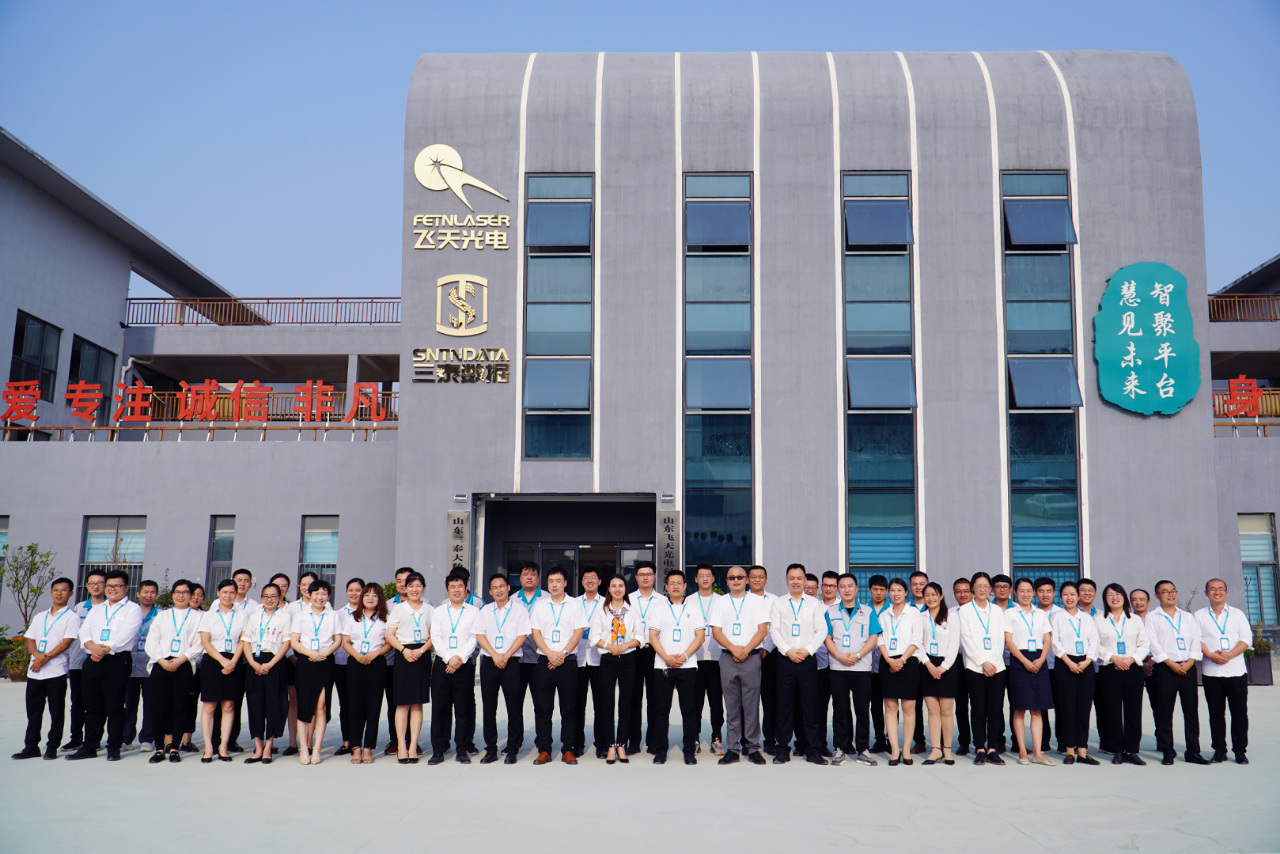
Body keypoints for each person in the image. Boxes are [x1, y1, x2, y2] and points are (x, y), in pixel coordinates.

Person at [67, 569, 143, 762]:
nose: (112, 589)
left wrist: (105, 649)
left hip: (117, 659)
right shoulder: (97, 609)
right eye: (109, 586)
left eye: (117, 586)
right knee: (91, 706)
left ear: (126, 587)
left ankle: (114, 747)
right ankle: (90, 746)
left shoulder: (132, 609)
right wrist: (92, 647)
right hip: (92, 659)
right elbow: (84, 630)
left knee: (114, 706)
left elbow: (127, 633)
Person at [13, 576, 79, 760]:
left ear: (70, 593)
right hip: (35, 672)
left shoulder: (72, 617)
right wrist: (37, 656)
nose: (59, 593)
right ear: (51, 593)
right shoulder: (40, 616)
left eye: (64, 590)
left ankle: (52, 747)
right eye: (56, 590)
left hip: (56, 671)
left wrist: (43, 659)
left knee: (56, 712)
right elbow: (30, 639)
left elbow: (66, 643)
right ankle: (31, 746)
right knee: (33, 712)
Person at [768, 564, 828, 765]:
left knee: (810, 706)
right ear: (786, 580)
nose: (796, 581)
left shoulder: (814, 604)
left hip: (807, 660)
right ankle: (782, 749)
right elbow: (774, 630)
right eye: (792, 578)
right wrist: (788, 650)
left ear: (804, 580)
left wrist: (808, 650)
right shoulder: (778, 603)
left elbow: (821, 630)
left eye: (799, 578)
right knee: (784, 706)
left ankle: (813, 749)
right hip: (785, 660)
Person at [709, 565, 769, 766]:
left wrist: (745, 650)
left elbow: (762, 630)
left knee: (751, 705)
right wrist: (734, 649)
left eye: (740, 577)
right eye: (732, 577)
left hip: (751, 658)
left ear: (747, 580)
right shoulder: (720, 602)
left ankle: (752, 747)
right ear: (727, 581)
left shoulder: (757, 601)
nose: (736, 580)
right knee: (731, 706)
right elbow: (716, 631)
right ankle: (733, 749)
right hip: (728, 658)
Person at [530, 566, 589, 764]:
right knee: (543, 709)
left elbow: (578, 632)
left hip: (567, 662)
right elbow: (536, 633)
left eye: (558, 581)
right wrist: (549, 654)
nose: (554, 585)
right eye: (551, 581)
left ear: (565, 583)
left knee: (569, 709)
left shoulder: (575, 605)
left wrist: (563, 654)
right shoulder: (540, 606)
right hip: (544, 661)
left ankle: (568, 749)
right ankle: (544, 750)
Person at [1145, 579, 1206, 765]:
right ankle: (1168, 752)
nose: (1170, 594)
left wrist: (1190, 662)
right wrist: (1170, 663)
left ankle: (1193, 751)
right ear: (1157, 596)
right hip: (1165, 668)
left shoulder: (1187, 617)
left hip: (1187, 667)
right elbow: (1153, 643)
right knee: (1165, 711)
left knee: (1191, 711)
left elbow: (1196, 640)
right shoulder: (1152, 617)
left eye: (1173, 591)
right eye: (1165, 592)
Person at [648, 569, 706, 765]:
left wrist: (684, 656)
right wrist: (666, 657)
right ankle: (661, 751)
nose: (675, 586)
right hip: (662, 666)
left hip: (687, 666)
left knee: (689, 711)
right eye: (671, 583)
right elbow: (653, 636)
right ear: (666, 586)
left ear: (684, 586)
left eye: (678, 583)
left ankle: (689, 751)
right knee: (661, 711)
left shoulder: (694, 608)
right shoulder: (659, 608)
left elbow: (700, 636)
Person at [143, 579, 203, 764]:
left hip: (183, 665)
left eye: (185, 592)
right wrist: (161, 660)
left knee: (180, 708)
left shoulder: (198, 617)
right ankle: (159, 749)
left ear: (190, 595)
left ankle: (175, 748)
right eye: (177, 592)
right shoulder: (162, 616)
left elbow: (200, 643)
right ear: (172, 595)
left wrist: (182, 659)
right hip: (161, 665)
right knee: (159, 709)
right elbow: (152, 641)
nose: (181, 596)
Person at [824, 573, 880, 767]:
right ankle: (840, 748)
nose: (846, 590)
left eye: (850, 586)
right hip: (838, 667)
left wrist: (857, 655)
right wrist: (839, 656)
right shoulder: (830, 612)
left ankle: (863, 749)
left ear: (857, 589)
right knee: (840, 710)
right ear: (838, 590)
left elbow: (873, 638)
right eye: (842, 586)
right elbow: (827, 638)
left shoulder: (868, 611)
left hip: (861, 668)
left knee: (862, 710)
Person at [1194, 577, 1252, 764]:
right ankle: (1219, 750)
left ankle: (1240, 750)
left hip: (1235, 671)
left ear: (1227, 592)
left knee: (1239, 713)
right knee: (1216, 714)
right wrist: (1210, 655)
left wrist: (1229, 654)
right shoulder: (1199, 615)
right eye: (1212, 589)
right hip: (1212, 672)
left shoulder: (1237, 614)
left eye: (1220, 589)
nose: (1216, 592)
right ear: (1206, 593)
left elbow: (1246, 638)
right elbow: (1197, 639)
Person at [474, 572, 530, 764]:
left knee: (514, 707)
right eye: (494, 588)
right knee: (489, 707)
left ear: (508, 588)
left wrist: (505, 656)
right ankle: (491, 748)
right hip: (489, 662)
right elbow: (480, 635)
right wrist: (495, 655)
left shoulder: (519, 610)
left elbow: (522, 636)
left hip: (511, 662)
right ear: (490, 592)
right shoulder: (485, 611)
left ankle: (513, 747)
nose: (498, 590)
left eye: (501, 586)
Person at [427, 570, 480, 765]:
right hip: (443, 664)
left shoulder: (474, 612)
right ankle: (438, 750)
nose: (456, 590)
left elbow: (475, 637)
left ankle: (462, 749)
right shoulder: (439, 611)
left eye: (460, 586)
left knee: (463, 709)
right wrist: (450, 658)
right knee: (439, 708)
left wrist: (460, 658)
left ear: (466, 589)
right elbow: (436, 637)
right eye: (452, 586)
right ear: (447, 590)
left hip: (464, 665)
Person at [1095, 582, 1150, 765]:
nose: (1114, 598)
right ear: (1105, 599)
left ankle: (1132, 750)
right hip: (1109, 668)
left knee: (1133, 710)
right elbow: (1095, 644)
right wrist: (1113, 658)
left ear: (1124, 598)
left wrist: (1131, 659)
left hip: (1132, 668)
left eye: (1118, 594)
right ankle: (1117, 749)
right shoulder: (1098, 620)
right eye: (1110, 595)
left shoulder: (1135, 620)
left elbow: (1144, 644)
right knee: (1112, 710)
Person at [289, 579, 342, 765]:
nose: (320, 597)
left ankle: (317, 748)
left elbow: (337, 639)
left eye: (324, 593)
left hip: (326, 661)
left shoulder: (333, 615)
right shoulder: (301, 616)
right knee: (304, 705)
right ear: (309, 595)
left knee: (321, 706)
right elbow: (294, 641)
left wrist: (326, 653)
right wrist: (310, 653)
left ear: (328, 596)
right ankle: (304, 748)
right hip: (306, 661)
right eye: (316, 593)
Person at [590, 574, 642, 764]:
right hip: (608, 661)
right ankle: (610, 745)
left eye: (621, 586)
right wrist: (610, 646)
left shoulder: (632, 611)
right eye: (614, 586)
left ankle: (621, 744)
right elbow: (594, 637)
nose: (617, 589)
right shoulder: (602, 612)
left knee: (625, 705)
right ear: (609, 589)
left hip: (628, 660)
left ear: (625, 589)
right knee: (607, 705)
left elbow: (640, 637)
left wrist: (625, 646)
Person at [958, 572, 1006, 766]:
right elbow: (966, 638)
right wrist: (982, 662)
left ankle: (992, 749)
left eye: (986, 586)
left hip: (997, 667)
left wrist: (992, 662)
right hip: (974, 667)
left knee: (994, 709)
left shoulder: (997, 611)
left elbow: (1000, 639)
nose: (982, 590)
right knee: (977, 709)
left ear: (990, 589)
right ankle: (979, 748)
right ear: (973, 588)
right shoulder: (965, 611)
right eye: (978, 586)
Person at [1005, 578, 1055, 766]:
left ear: (1033, 593)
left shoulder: (1040, 614)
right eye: (1021, 591)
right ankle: (1022, 751)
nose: (1025, 594)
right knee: (1019, 708)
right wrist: (1025, 661)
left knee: (1037, 709)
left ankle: (1037, 752)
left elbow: (1047, 640)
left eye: (1029, 591)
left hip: (1039, 659)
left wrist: (1041, 660)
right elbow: (1008, 641)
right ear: (1015, 593)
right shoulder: (1010, 613)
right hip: (1020, 660)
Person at [240, 582, 291, 765]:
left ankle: (269, 747)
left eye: (273, 596)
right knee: (255, 706)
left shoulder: (285, 617)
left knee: (274, 705)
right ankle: (258, 747)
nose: (269, 600)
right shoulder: (254, 616)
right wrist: (253, 663)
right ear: (261, 598)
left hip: (274, 663)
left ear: (279, 598)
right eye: (266, 596)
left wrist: (270, 663)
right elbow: (246, 641)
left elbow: (286, 643)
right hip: (254, 663)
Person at [197, 579, 247, 763]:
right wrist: (222, 660)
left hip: (234, 661)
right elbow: (205, 641)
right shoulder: (208, 615)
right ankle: (208, 747)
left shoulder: (242, 614)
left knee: (228, 706)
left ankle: (223, 747)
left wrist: (233, 661)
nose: (228, 595)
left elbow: (243, 640)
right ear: (218, 592)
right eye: (224, 592)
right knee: (209, 706)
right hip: (213, 661)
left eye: (232, 592)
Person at [1049, 582, 1100, 765]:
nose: (1069, 598)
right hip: (1065, 664)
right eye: (1065, 594)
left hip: (1085, 664)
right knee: (1067, 708)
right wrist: (1069, 662)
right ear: (1060, 597)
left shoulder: (1087, 618)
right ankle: (1069, 750)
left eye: (1072, 594)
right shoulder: (1056, 617)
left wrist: (1087, 661)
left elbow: (1094, 641)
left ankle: (1083, 752)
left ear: (1078, 596)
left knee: (1083, 709)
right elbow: (1055, 642)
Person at [386, 571, 432, 763]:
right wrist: (404, 650)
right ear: (405, 588)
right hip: (403, 654)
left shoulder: (430, 609)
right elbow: (390, 635)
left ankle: (413, 745)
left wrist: (421, 651)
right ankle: (401, 746)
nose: (414, 589)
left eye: (418, 586)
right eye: (411, 585)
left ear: (423, 588)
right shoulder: (398, 609)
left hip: (422, 655)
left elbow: (434, 635)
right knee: (402, 703)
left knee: (417, 703)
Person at [876, 578, 922, 766]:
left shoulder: (914, 613)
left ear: (906, 593)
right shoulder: (883, 614)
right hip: (887, 662)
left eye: (899, 590)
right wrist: (889, 659)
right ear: (889, 593)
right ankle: (895, 749)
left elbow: (916, 639)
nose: (896, 594)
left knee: (909, 707)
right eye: (893, 590)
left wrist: (902, 660)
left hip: (908, 662)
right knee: (890, 706)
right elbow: (879, 639)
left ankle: (906, 749)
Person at [62, 568, 105, 753]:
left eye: (100, 583)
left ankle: (94, 739)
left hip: (101, 661)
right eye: (92, 583)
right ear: (86, 585)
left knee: (98, 703)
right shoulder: (79, 608)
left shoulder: (109, 608)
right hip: (78, 662)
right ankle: (76, 738)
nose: (96, 586)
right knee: (78, 702)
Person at [627, 560, 666, 756]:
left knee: (655, 698)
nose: (645, 577)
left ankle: (653, 741)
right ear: (636, 577)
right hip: (633, 651)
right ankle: (633, 742)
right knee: (633, 698)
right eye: (641, 574)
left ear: (654, 576)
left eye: (649, 574)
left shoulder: (663, 600)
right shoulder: (628, 599)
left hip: (654, 651)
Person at [917, 581, 958, 766]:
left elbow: (954, 644)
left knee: (946, 711)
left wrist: (943, 666)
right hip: (926, 666)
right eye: (927, 595)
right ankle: (935, 749)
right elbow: (917, 643)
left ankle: (947, 749)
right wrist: (927, 663)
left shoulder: (952, 617)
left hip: (947, 666)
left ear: (941, 596)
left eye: (934, 594)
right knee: (933, 711)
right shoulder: (920, 617)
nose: (930, 598)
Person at [121, 579, 160, 753]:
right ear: (138, 593)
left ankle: (147, 739)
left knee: (150, 705)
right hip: (129, 666)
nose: (148, 595)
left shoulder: (161, 615)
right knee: (128, 705)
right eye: (145, 592)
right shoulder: (129, 613)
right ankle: (126, 739)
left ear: (156, 595)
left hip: (150, 666)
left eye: (152, 592)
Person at [692, 562, 725, 755]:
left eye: (708, 575)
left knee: (716, 703)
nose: (705, 579)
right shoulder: (688, 601)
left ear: (713, 579)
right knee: (695, 703)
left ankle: (716, 739)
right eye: (701, 575)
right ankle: (694, 739)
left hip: (717, 659)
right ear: (695, 579)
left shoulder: (722, 601)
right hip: (694, 660)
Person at [571, 566, 604, 758]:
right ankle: (577, 744)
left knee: (601, 705)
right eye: (586, 578)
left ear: (600, 581)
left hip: (599, 660)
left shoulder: (607, 603)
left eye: (593, 577)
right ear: (582, 582)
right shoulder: (573, 603)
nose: (589, 581)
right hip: (578, 659)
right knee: (577, 705)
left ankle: (601, 744)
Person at [748, 564, 780, 754]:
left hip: (770, 655)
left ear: (766, 580)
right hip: (746, 654)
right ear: (748, 580)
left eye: (761, 577)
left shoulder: (774, 601)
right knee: (747, 701)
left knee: (770, 700)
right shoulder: (741, 600)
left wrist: (766, 648)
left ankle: (770, 739)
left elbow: (776, 628)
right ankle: (747, 740)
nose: (757, 580)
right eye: (753, 577)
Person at [382, 566, 413, 755]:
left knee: (412, 701)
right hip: (391, 661)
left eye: (406, 580)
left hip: (413, 660)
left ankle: (411, 740)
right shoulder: (387, 605)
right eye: (399, 581)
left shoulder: (424, 604)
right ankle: (396, 740)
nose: (403, 584)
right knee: (394, 702)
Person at [334, 576, 365, 757]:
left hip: (363, 663)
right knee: (345, 704)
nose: (354, 593)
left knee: (361, 704)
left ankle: (360, 741)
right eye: (350, 590)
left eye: (358, 590)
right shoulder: (338, 614)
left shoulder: (369, 613)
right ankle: (347, 741)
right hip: (342, 664)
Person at [1033, 577, 1064, 754]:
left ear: (1054, 593)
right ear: (1035, 593)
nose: (1045, 595)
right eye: (1041, 591)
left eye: (1049, 591)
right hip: (1039, 665)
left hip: (1059, 665)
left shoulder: (1061, 613)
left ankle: (1063, 740)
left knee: (1062, 705)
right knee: (1041, 705)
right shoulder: (1032, 612)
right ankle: (1043, 741)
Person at [179, 582, 206, 753]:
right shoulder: (178, 615)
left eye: (200, 595)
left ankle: (187, 740)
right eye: (193, 594)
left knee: (191, 704)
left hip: (198, 665)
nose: (196, 598)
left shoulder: (205, 616)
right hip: (179, 663)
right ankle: (171, 739)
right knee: (176, 702)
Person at [866, 574, 891, 753]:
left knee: (891, 704)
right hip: (868, 665)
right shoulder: (863, 610)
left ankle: (891, 739)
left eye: (882, 589)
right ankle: (879, 739)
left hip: (888, 663)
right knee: (875, 705)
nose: (878, 593)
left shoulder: (892, 610)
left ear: (886, 591)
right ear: (869, 590)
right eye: (875, 589)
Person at [951, 577, 973, 756]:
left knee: (981, 704)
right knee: (961, 704)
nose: (962, 594)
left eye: (966, 591)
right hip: (957, 661)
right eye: (958, 591)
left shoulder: (979, 611)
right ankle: (964, 741)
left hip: (976, 660)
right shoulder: (950, 613)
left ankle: (988, 741)